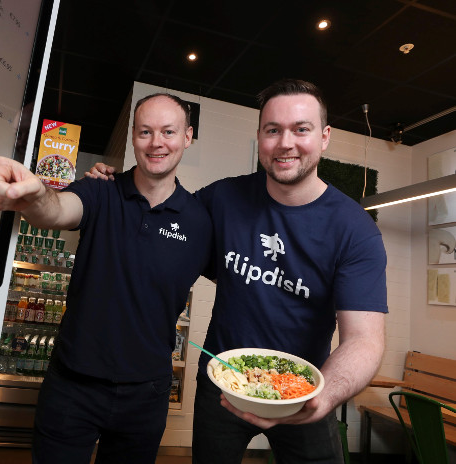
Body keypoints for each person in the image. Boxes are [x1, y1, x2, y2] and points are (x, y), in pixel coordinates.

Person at [87, 79, 388, 464]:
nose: (285, 143)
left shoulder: (355, 230)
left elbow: (364, 340)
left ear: (325, 137)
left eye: (301, 129)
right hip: (223, 384)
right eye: (273, 130)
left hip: (305, 389)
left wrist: (323, 397)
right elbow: (160, 226)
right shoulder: (222, 199)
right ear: (260, 135)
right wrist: (112, 188)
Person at [0, 93, 212, 464]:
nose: (157, 142)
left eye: (168, 132)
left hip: (147, 392)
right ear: (133, 138)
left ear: (187, 137)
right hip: (73, 385)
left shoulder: (199, 222)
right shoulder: (99, 191)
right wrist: (33, 195)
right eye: (145, 132)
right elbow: (56, 209)